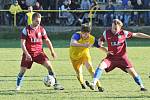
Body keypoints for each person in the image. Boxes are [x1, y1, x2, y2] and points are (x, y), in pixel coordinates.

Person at [86, 19, 150, 91]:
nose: (114, 30)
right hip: (111, 58)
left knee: (133, 73)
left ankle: (142, 86)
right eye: (113, 28)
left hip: (122, 58)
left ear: (120, 27)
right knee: (101, 65)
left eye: (116, 29)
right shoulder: (106, 33)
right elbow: (100, 42)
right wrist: (100, 44)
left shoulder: (124, 33)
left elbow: (137, 34)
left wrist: (148, 37)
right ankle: (93, 84)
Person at [16, 12, 64, 91]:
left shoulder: (41, 29)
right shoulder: (26, 30)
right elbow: (22, 44)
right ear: (32, 20)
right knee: (22, 71)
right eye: (37, 21)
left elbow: (47, 41)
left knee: (49, 66)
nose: (38, 23)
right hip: (28, 54)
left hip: (39, 53)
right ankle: (18, 86)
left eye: (39, 21)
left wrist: (52, 51)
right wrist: (27, 54)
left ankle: (56, 84)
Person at [69, 23, 108, 92]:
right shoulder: (76, 35)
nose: (84, 35)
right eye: (83, 33)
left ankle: (99, 86)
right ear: (81, 32)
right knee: (78, 72)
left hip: (84, 55)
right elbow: (72, 43)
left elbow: (100, 46)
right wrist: (84, 45)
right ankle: (82, 83)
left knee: (91, 69)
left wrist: (107, 52)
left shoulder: (91, 38)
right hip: (74, 57)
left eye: (86, 34)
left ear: (89, 33)